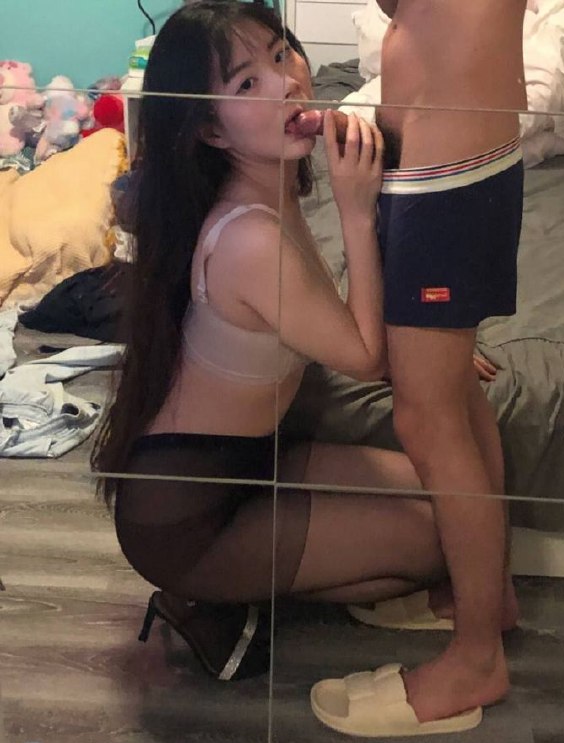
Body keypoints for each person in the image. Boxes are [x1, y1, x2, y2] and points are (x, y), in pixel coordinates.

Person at [91, 0, 462, 682]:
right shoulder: (249, 239)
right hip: (188, 518)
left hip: (254, 460)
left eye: (282, 53)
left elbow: (335, 322)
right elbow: (365, 356)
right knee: (438, 543)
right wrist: (357, 211)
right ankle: (202, 593)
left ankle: (243, 579)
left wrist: (433, 340)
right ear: (210, 129)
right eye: (247, 82)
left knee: (445, 496)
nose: (287, 82)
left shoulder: (272, 186)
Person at [311, 0, 526, 736]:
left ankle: (477, 659)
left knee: (426, 418)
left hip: (451, 175)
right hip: (430, 165)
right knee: (449, 396)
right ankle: (486, 602)